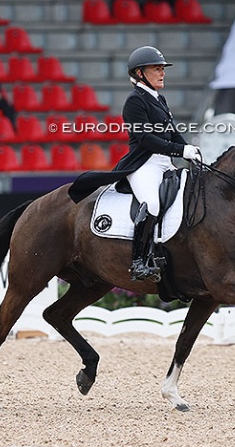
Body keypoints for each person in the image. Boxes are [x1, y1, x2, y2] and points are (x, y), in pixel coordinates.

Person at [68, 45, 201, 282]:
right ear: (140, 73)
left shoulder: (159, 98)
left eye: (163, 69)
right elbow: (147, 139)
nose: (162, 73)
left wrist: (189, 151)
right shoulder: (134, 102)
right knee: (151, 204)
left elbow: (172, 131)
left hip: (165, 162)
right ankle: (138, 261)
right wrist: (181, 149)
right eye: (157, 69)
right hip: (144, 165)